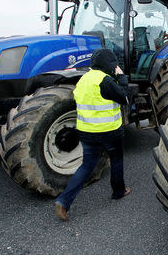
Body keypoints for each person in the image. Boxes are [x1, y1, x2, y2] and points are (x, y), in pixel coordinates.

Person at [55, 48, 130, 221]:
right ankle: (119, 191)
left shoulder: (83, 80)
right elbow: (124, 98)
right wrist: (121, 77)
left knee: (86, 166)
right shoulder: (105, 80)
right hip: (110, 131)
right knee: (116, 159)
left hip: (87, 132)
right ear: (109, 65)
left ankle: (64, 201)